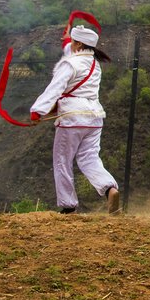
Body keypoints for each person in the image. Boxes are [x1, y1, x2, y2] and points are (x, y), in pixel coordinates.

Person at [30, 25, 120, 214]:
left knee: (62, 160)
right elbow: (72, 55)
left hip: (72, 118)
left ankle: (68, 206)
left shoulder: (69, 64)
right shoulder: (94, 64)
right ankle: (110, 188)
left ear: (78, 43)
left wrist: (38, 111)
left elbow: (55, 87)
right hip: (95, 118)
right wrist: (67, 41)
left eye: (72, 41)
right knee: (89, 158)